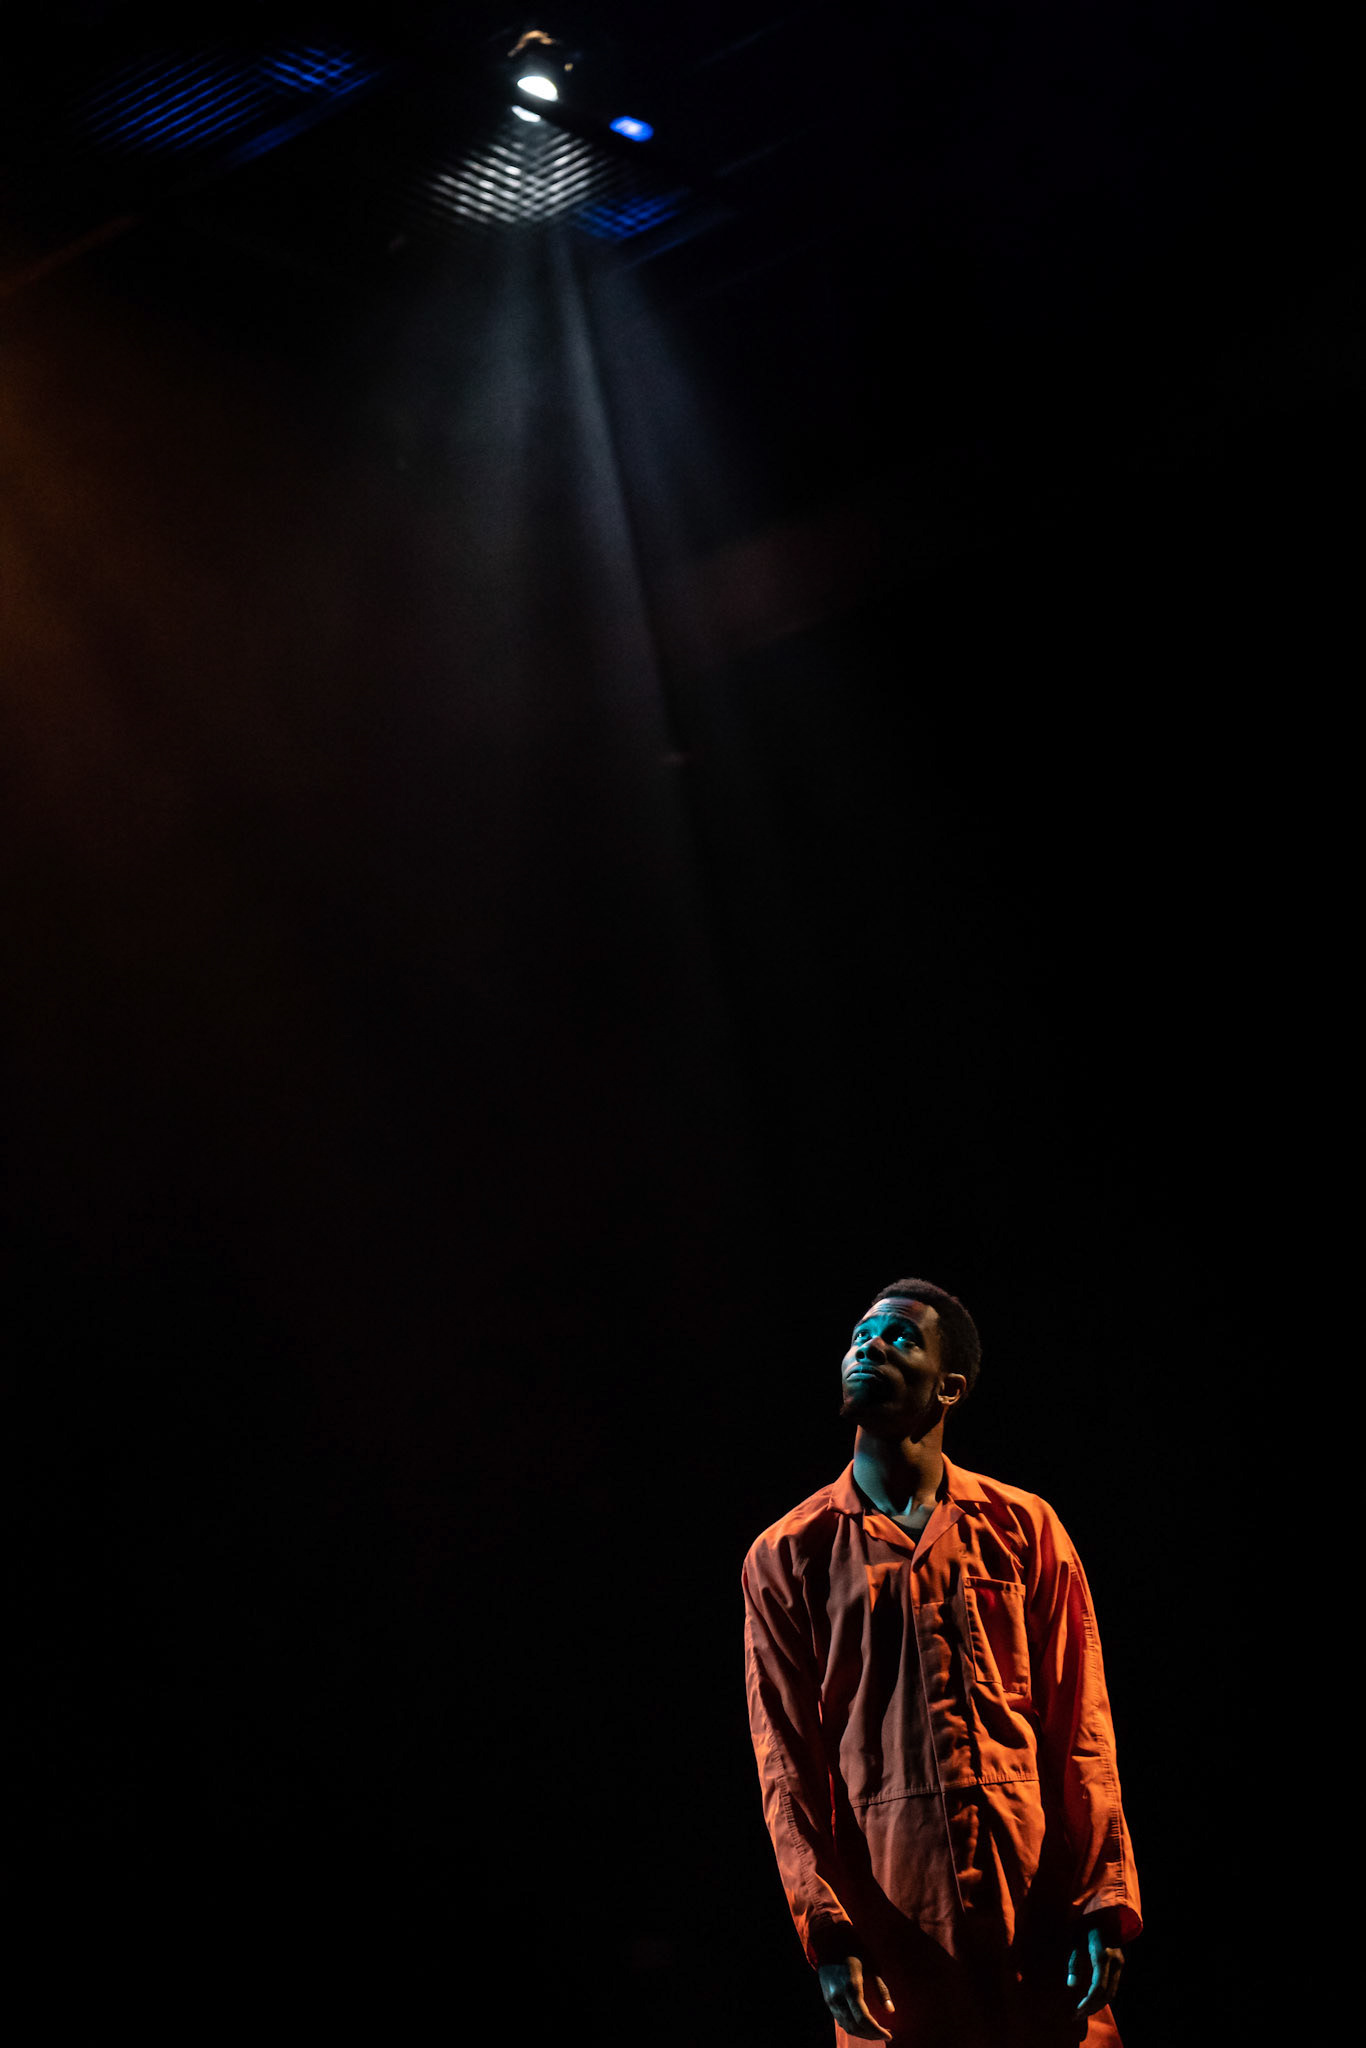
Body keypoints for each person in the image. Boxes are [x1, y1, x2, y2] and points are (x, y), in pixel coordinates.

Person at [741, 1278, 1140, 2046]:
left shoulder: (1023, 1527)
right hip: (894, 1917)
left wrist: (1102, 1898)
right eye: (861, 1335)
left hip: (1035, 1912)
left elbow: (1081, 1723)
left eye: (898, 1339)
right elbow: (785, 1760)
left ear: (949, 1387)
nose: (869, 1347)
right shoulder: (788, 1554)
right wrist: (825, 1928)